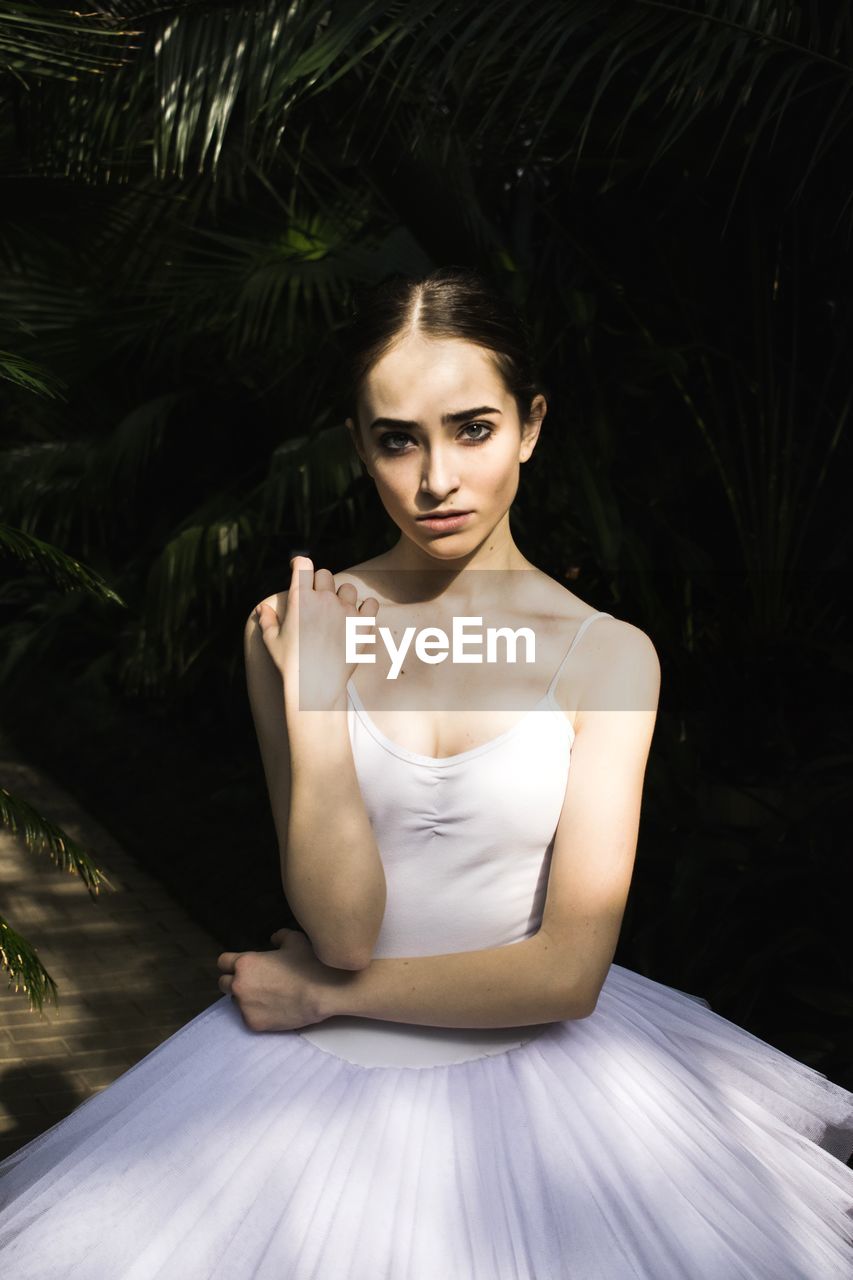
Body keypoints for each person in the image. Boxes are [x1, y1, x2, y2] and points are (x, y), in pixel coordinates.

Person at [0, 268, 851, 1279]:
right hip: (296, 1095)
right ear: (359, 444)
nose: (434, 477)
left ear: (531, 425)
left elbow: (565, 972)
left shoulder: (610, 656)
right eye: (397, 438)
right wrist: (318, 702)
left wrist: (323, 998)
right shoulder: (287, 630)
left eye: (472, 429)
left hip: (549, 1096)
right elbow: (343, 928)